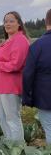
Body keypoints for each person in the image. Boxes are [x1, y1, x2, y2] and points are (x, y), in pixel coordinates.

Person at [0, 12, 30, 142]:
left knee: (12, 118)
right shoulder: (9, 40)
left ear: (19, 23)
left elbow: (16, 64)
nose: (7, 24)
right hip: (1, 86)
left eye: (11, 21)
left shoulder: (21, 40)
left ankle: (18, 148)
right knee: (1, 117)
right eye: (5, 21)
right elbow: (4, 57)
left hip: (11, 85)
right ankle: (9, 143)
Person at [23, 9, 51, 144]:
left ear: (46, 22)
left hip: (45, 96)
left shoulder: (37, 45)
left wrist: (27, 97)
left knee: (50, 129)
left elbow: (28, 74)